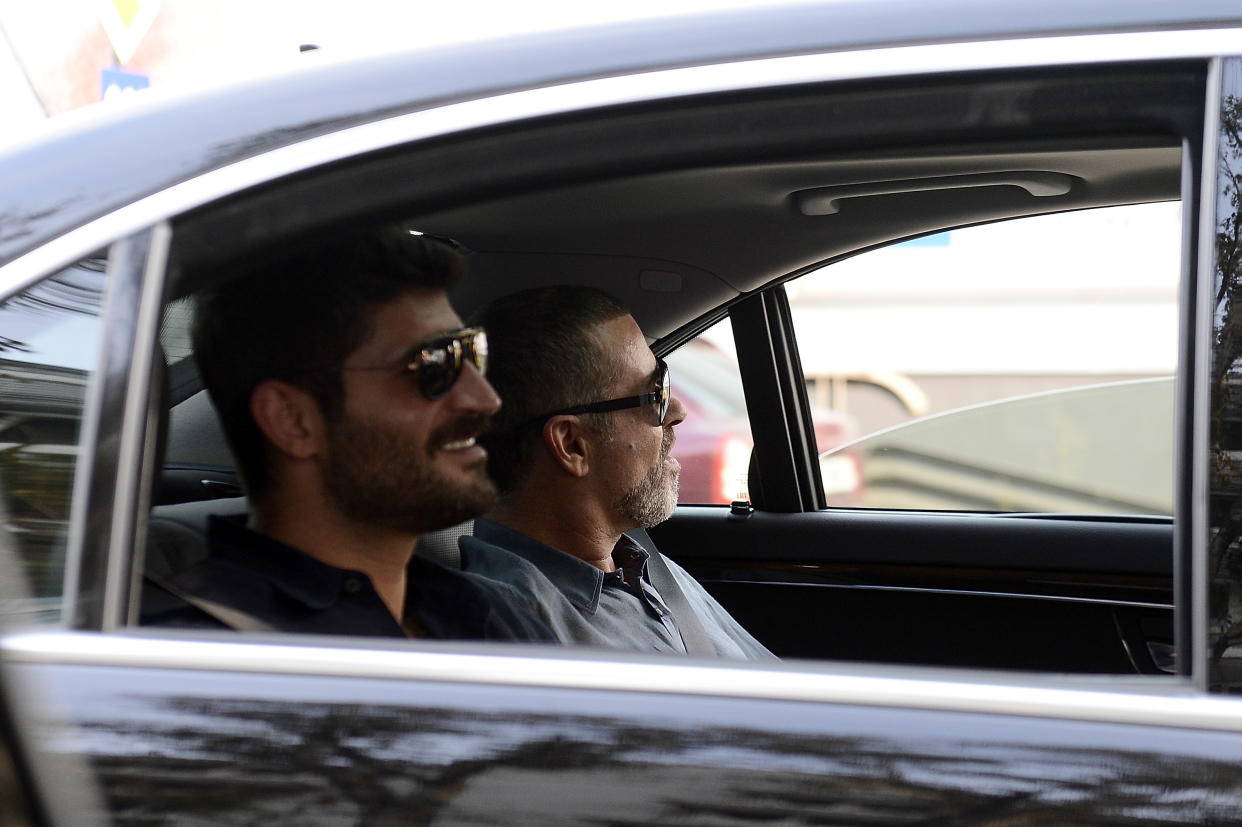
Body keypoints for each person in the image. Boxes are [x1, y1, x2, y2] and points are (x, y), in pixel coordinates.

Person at [142, 227, 552, 642]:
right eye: (434, 364)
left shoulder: (493, 613)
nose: (485, 399)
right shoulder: (195, 654)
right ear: (293, 421)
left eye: (470, 352)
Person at [461, 285, 774, 659]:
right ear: (572, 445)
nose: (676, 411)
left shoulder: (637, 563)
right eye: (654, 393)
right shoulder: (520, 634)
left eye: (664, 379)